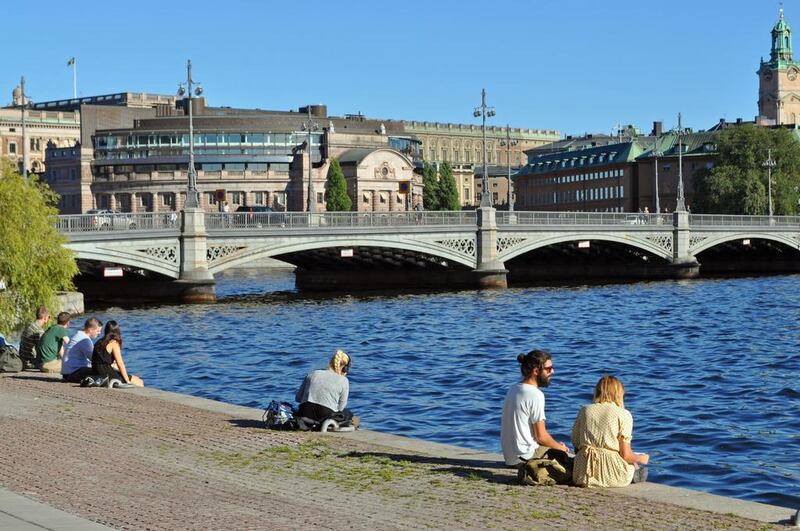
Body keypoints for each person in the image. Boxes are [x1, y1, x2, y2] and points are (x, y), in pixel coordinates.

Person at [571, 375, 649, 487]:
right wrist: (642, 458)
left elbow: (576, 442)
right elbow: (625, 454)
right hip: (612, 475)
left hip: (582, 474)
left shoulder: (585, 410)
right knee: (637, 466)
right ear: (619, 394)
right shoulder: (623, 414)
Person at [501, 350, 570, 470]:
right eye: (548, 369)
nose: (552, 372)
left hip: (510, 458)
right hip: (526, 457)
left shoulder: (513, 388)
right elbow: (541, 436)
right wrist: (561, 448)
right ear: (536, 371)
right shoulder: (535, 394)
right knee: (569, 459)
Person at [295, 349, 353, 424]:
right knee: (348, 414)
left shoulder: (313, 373)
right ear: (345, 368)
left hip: (304, 412)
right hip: (325, 416)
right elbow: (341, 408)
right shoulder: (344, 380)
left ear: (330, 362)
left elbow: (298, 398)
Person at [91, 322, 144, 387]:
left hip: (96, 372)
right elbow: (120, 363)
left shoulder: (99, 342)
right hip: (107, 374)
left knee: (135, 377)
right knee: (139, 381)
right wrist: (127, 380)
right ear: (117, 331)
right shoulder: (113, 343)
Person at [61, 317, 103, 383]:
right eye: (98, 331)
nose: (99, 333)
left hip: (68, 373)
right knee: (102, 372)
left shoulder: (79, 335)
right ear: (91, 330)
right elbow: (94, 358)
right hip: (73, 373)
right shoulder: (84, 340)